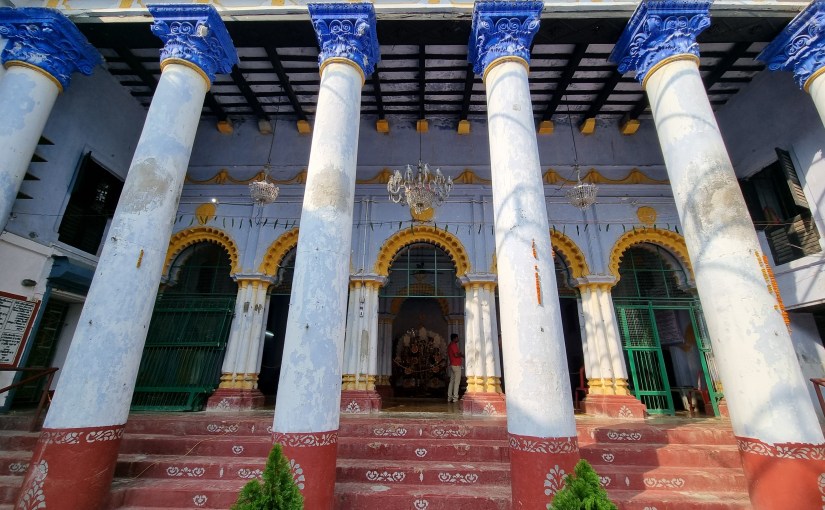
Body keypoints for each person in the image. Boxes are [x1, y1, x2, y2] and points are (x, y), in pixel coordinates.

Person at [447, 333, 463, 403]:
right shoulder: (454, 345)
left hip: (452, 365)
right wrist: (461, 354)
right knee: (457, 382)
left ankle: (449, 397)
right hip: (456, 365)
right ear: (454, 338)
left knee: (452, 382)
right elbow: (456, 354)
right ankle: (455, 398)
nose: (458, 339)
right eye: (457, 338)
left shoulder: (449, 345)